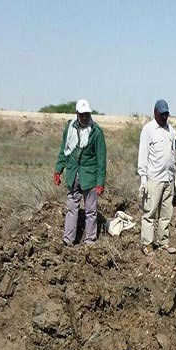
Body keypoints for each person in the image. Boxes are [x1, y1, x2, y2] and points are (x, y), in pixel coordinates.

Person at [54, 99, 106, 246]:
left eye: (87, 114)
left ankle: (90, 240)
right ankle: (68, 239)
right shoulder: (70, 128)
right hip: (72, 174)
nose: (84, 117)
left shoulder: (96, 132)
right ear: (77, 114)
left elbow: (101, 159)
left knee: (91, 210)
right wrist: (58, 169)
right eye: (82, 114)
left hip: (89, 176)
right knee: (71, 208)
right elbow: (64, 150)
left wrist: (100, 182)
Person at [137, 99, 176, 255]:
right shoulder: (148, 130)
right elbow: (143, 155)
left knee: (166, 214)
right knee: (150, 213)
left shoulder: (171, 131)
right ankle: (147, 244)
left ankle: (163, 242)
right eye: (162, 114)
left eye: (166, 114)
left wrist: (175, 179)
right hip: (154, 178)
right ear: (155, 113)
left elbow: (173, 154)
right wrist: (143, 178)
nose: (164, 117)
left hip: (169, 178)